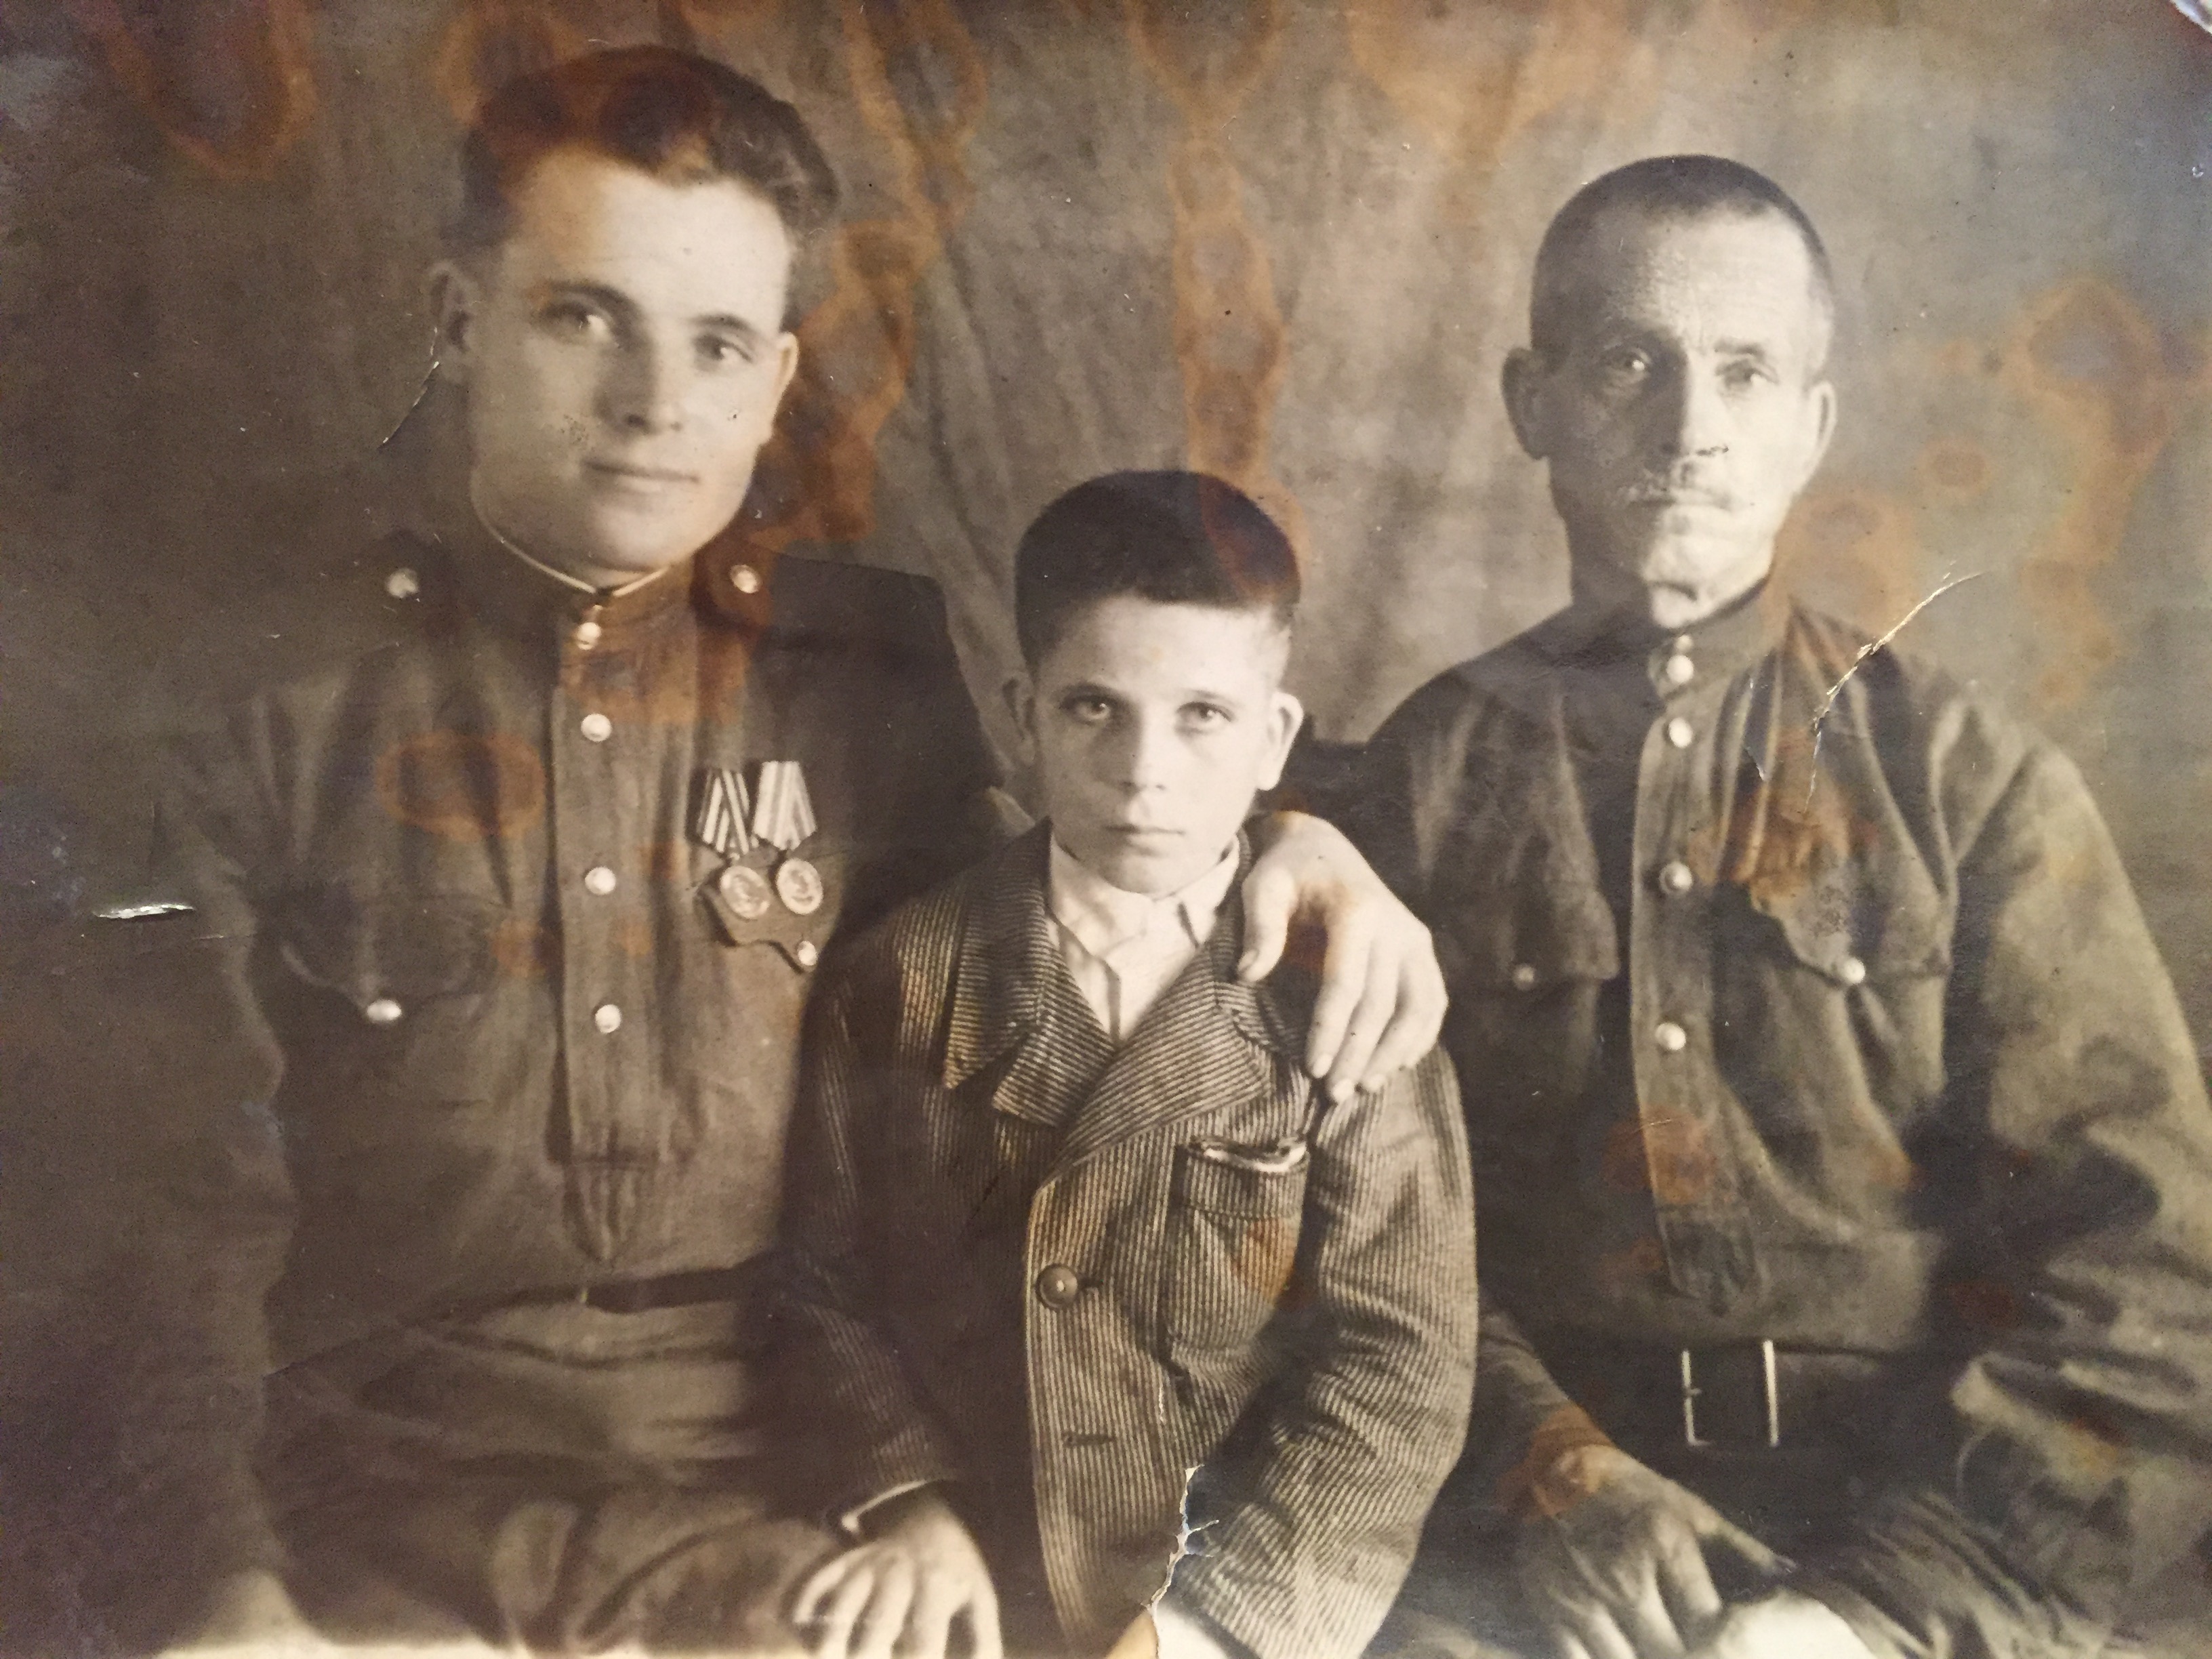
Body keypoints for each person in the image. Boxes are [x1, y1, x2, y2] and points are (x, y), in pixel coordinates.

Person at [144, 48, 1446, 1653]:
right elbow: (160, 1223)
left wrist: (1303, 843)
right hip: (359, 1500)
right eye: (583, 318)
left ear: (774, 382)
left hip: (792, 1493)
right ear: (459, 321)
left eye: (714, 345)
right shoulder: (269, 701)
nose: (654, 403)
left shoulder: (867, 681)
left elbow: (1090, 903)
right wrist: (221, 1589)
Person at [1355, 157, 2212, 1659]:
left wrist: (1873, 1610)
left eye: (1744, 372)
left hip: (1922, 1541)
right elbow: (1343, 1224)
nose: (1689, 426)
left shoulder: (1965, 778)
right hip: (1517, 1549)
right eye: (1630, 363)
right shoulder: (1421, 780)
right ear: (1532, 403)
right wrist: (1549, 1474)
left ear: (1811, 427)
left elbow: (2147, 1272)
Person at [775, 471, 1477, 1659]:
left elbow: (1397, 1364)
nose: (1144, 771)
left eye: (1202, 714)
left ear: (1274, 738)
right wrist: (910, 1502)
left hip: (1230, 1601)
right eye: (1095, 708)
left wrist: (1206, 1633)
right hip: (970, 1589)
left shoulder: (1343, 1001)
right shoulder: (903, 977)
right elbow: (823, 1285)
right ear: (1025, 715)